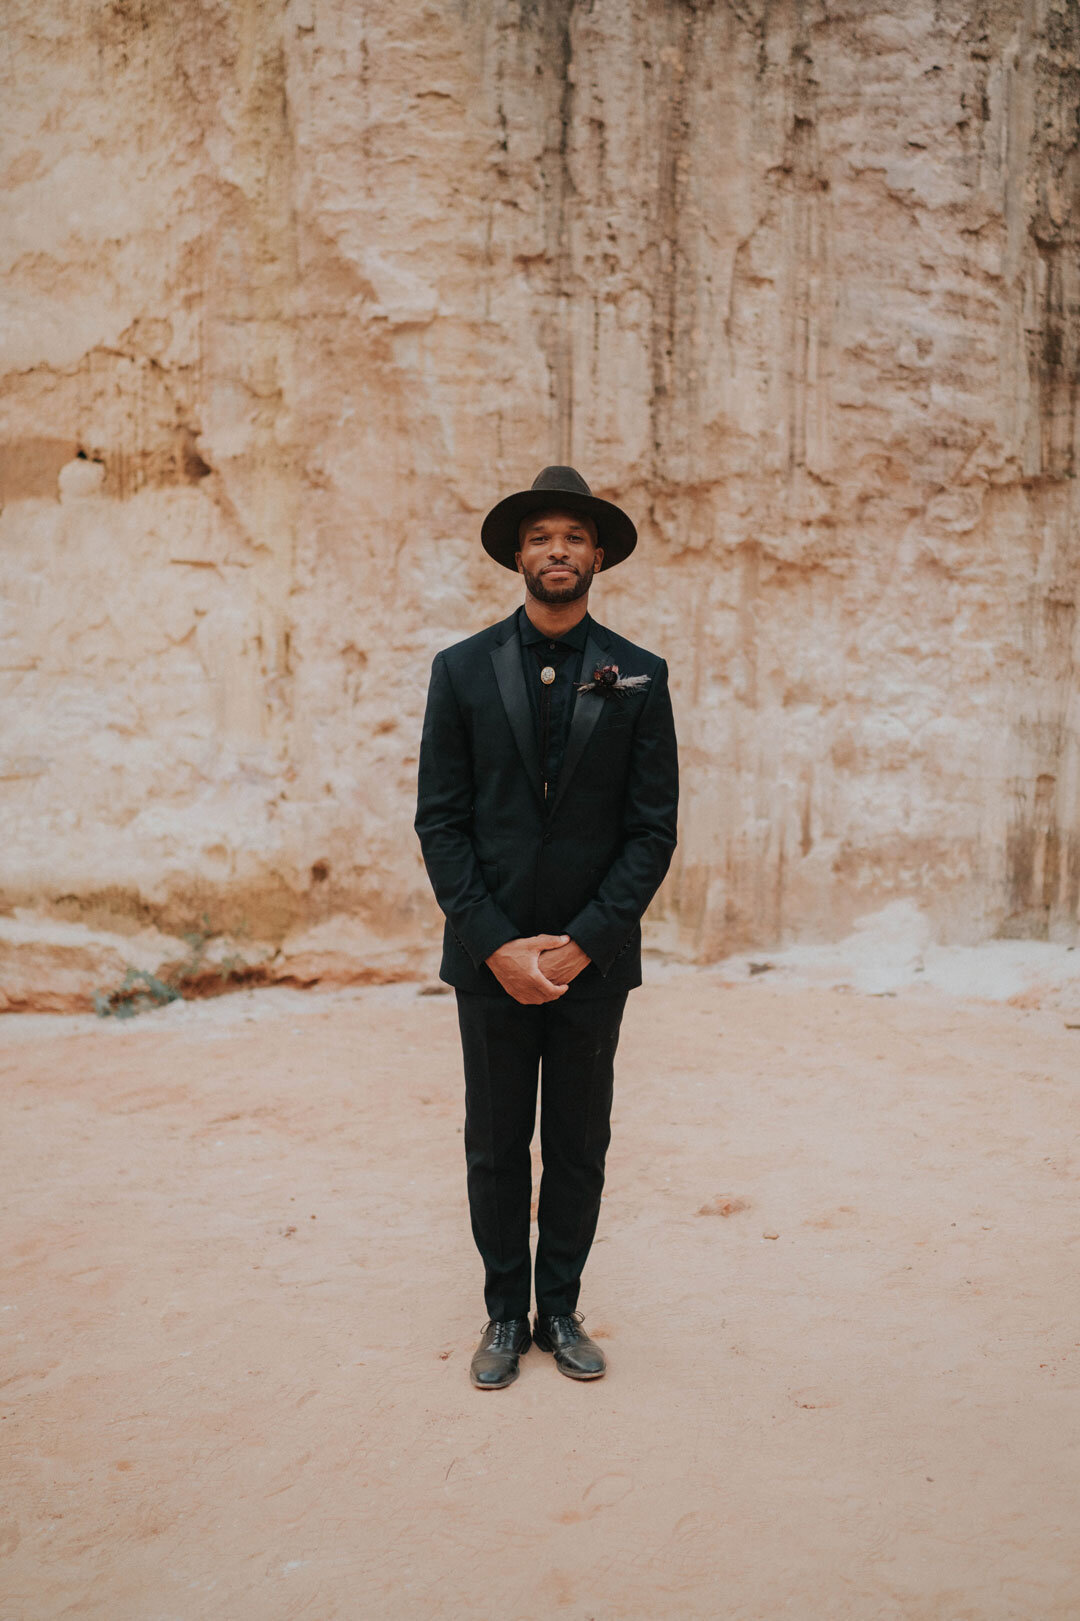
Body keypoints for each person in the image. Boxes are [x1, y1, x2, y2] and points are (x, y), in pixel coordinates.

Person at [414, 465, 679, 1389]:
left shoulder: (641, 675)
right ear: (517, 557)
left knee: (577, 1138)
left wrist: (584, 940)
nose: (557, 550)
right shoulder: (458, 670)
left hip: (590, 963)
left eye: (573, 536)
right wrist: (494, 940)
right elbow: (439, 822)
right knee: (493, 1140)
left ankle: (559, 1309)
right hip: (489, 960)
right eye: (540, 537)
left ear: (598, 554)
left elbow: (653, 830)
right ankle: (501, 1312)